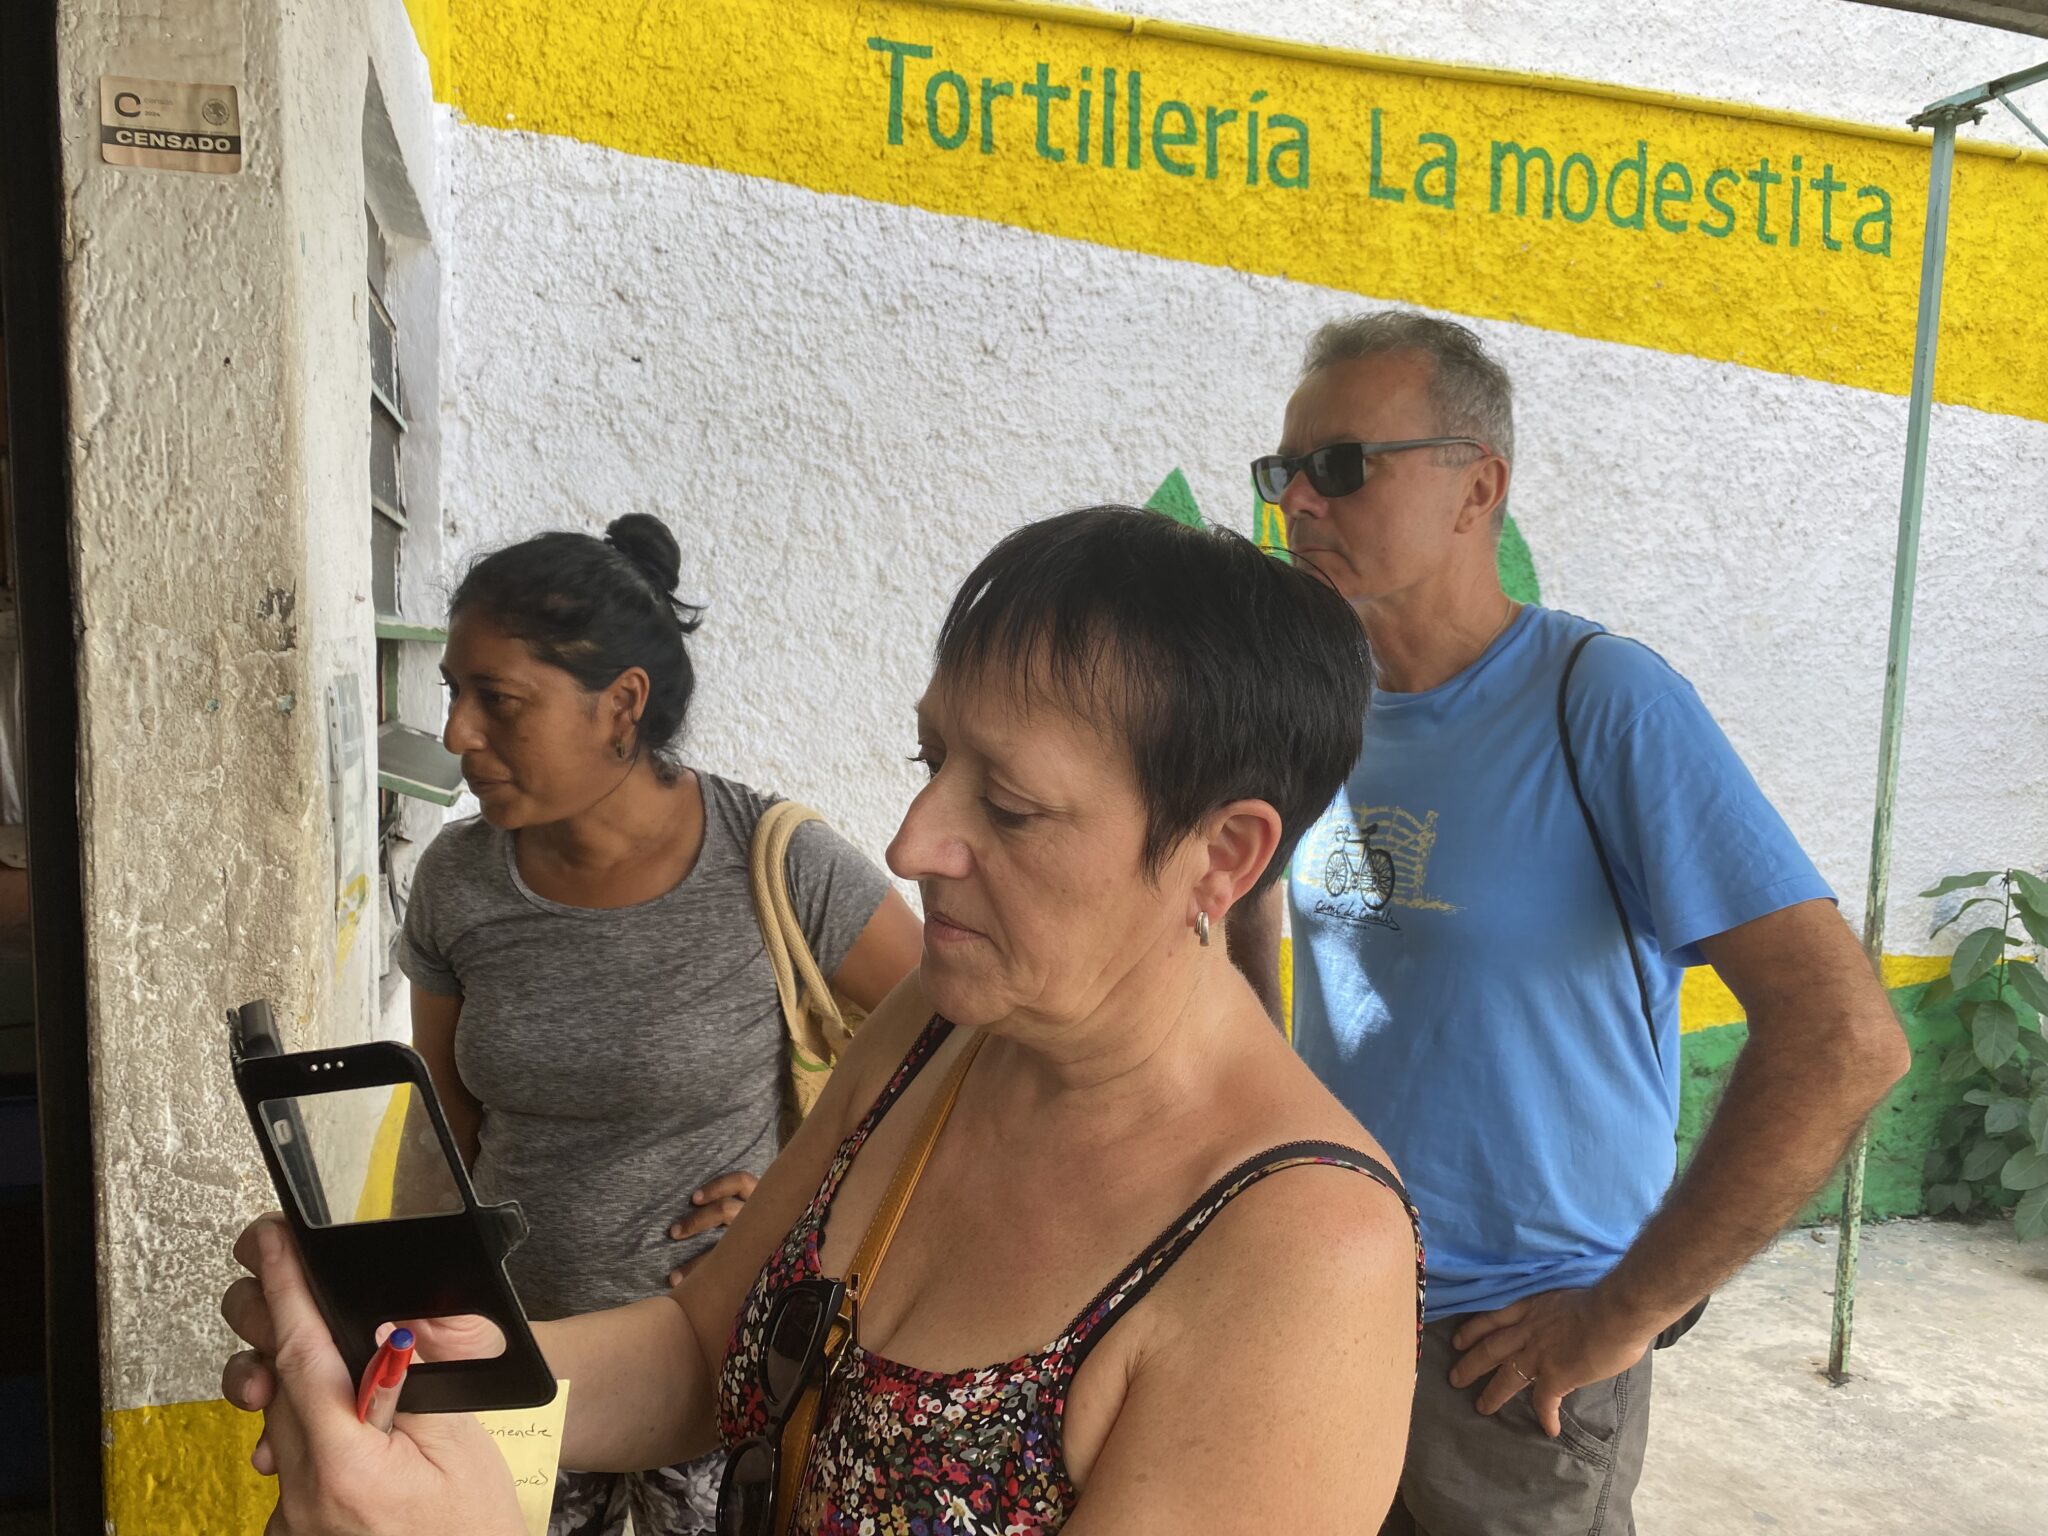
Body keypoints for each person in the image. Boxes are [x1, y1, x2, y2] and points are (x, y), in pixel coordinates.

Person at [220, 506, 1422, 1535]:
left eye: (1006, 807)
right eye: (929, 755)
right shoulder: (947, 1029)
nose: (911, 844)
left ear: (1225, 853)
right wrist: (429, 1382)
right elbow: (707, 1353)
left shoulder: (1302, 1260)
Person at [1230, 311, 1912, 1535]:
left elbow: (1843, 1039)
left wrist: (1621, 1314)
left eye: (1341, 468)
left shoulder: (1599, 703)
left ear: (1475, 488)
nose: (1300, 504)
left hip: (1510, 1360)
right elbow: (1254, 925)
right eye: (1284, 474)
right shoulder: (1313, 715)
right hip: (1327, 1308)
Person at [399, 513, 924, 1536]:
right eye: (453, 695)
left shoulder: (776, 862)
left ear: (621, 706)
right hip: (516, 1373)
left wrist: (812, 1198)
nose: (459, 734)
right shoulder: (457, 883)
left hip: (720, 1382)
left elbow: (962, 1048)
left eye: (497, 701)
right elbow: (444, 1132)